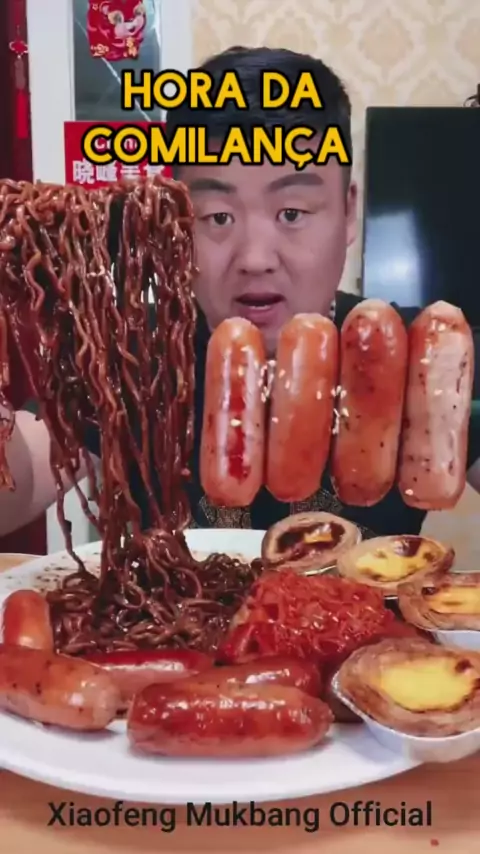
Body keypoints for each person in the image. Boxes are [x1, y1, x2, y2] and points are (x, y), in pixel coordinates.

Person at [1, 45, 480, 540]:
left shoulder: (424, 350)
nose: (254, 257)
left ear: (347, 211)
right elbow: (23, 479)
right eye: (217, 217)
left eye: (292, 213)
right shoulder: (130, 353)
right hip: (169, 593)